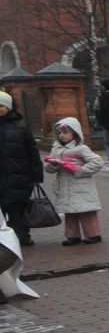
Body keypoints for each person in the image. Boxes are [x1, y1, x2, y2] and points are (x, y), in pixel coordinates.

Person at [43, 117, 107, 245]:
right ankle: (72, 236)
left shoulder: (81, 148)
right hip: (64, 184)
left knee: (86, 210)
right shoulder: (56, 149)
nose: (62, 136)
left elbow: (97, 162)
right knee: (69, 211)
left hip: (80, 185)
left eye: (65, 133)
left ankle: (93, 234)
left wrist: (79, 170)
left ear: (75, 133)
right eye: (59, 133)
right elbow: (49, 169)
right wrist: (53, 164)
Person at [0, 91, 45, 245]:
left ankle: (21, 238)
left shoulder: (20, 128)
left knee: (18, 210)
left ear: (9, 107)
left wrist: (36, 176)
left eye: (2, 106)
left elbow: (32, 153)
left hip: (18, 176)